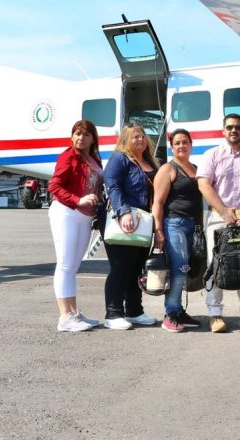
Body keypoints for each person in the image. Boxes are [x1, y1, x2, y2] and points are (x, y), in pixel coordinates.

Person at [198, 113, 240, 332]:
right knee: (217, 265)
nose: (234, 131)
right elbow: (204, 185)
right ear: (223, 130)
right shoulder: (212, 155)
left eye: (238, 127)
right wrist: (223, 211)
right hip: (219, 217)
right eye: (229, 127)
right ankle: (215, 314)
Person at [47, 120, 103, 332]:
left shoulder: (94, 158)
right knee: (65, 265)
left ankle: (73, 313)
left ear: (93, 139)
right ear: (72, 137)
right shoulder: (67, 156)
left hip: (85, 217)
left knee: (73, 266)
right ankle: (64, 318)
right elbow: (54, 185)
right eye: (77, 134)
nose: (80, 138)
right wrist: (77, 199)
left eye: (86, 135)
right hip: (67, 213)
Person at [102, 124, 159, 330]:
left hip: (144, 220)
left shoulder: (150, 161)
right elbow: (113, 185)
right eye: (135, 137)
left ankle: (134, 311)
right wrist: (123, 211)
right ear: (125, 140)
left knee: (137, 267)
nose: (140, 140)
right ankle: (113, 313)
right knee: (120, 267)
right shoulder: (120, 158)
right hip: (125, 218)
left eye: (142, 136)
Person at [151, 129, 204, 333]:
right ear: (172, 147)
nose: (182, 146)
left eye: (185, 142)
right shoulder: (168, 168)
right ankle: (170, 314)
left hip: (193, 226)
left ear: (191, 144)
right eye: (177, 143)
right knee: (179, 268)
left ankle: (179, 311)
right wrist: (158, 230)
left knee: (187, 269)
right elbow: (158, 202)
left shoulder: (196, 168)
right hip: (174, 224)